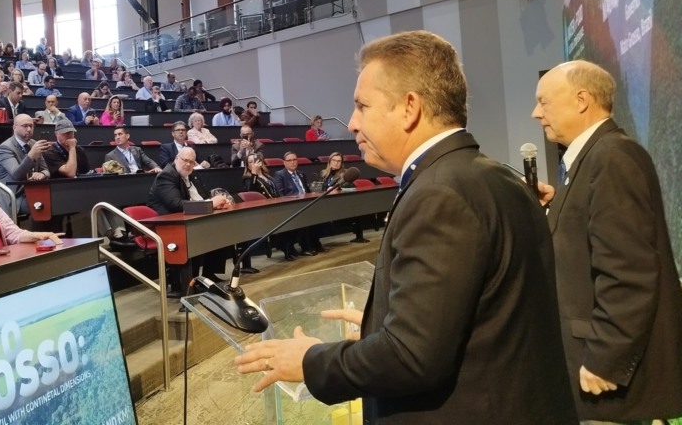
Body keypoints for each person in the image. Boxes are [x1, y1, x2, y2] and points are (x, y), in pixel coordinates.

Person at [235, 30, 577, 424]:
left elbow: (412, 357)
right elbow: (481, 318)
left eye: (362, 106)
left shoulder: (439, 195)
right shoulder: (492, 175)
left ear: (409, 107)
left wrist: (312, 360)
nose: (351, 123)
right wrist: (377, 325)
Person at [532, 60, 682, 422]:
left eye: (544, 102)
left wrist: (606, 359)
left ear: (582, 100)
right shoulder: (593, 159)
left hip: (607, 381)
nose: (536, 113)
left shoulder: (612, 158)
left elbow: (628, 272)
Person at [147, 147, 232, 287]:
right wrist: (210, 204)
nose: (187, 164)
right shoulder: (166, 176)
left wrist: (219, 203)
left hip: (187, 219)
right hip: (168, 224)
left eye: (191, 162)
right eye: (184, 160)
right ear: (176, 159)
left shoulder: (192, 174)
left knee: (219, 226)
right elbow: (177, 205)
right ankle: (186, 281)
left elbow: (204, 196)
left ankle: (208, 274)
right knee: (201, 232)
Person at [0, 114, 52, 216]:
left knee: (55, 202)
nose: (29, 129)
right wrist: (31, 155)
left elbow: (46, 170)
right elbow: (17, 175)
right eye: (25, 126)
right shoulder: (5, 148)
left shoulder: (34, 144)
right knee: (45, 206)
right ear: (14, 128)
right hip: (14, 196)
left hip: (32, 192)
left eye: (31, 126)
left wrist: (42, 174)